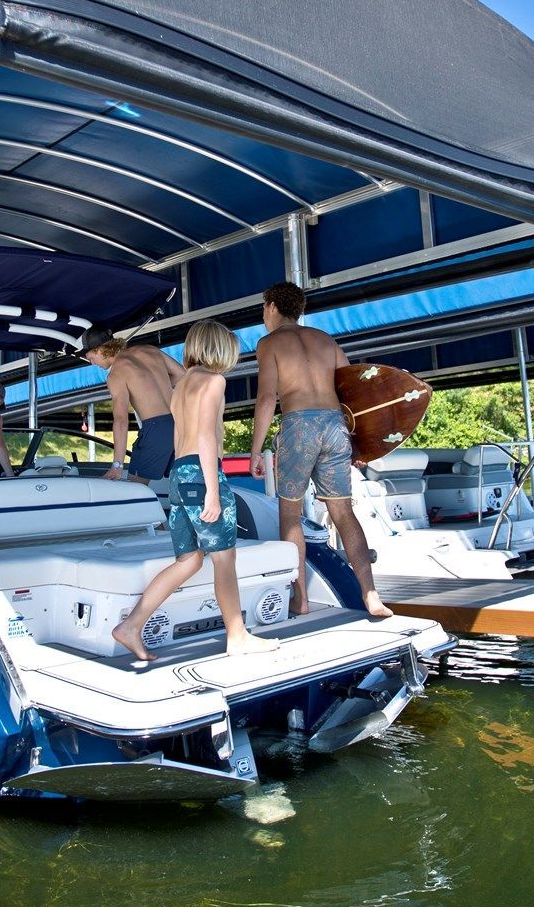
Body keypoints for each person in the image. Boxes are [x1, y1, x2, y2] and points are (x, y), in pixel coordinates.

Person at [111, 320, 279, 662]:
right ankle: (237, 635)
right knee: (224, 559)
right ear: (221, 348)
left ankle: (131, 626)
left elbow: (180, 438)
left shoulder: (183, 384)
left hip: (179, 474)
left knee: (188, 560)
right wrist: (213, 492)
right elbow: (205, 436)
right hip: (203, 475)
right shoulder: (214, 381)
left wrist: (188, 478)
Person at [249, 280, 392, 618]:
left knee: (290, 515)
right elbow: (353, 391)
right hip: (334, 426)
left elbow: (268, 398)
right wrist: (360, 442)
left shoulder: (268, 343)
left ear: (271, 307)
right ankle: (371, 594)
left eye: (264, 309)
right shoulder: (326, 340)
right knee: (343, 512)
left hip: (300, 425)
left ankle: (300, 600)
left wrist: (256, 451)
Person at [79, 328, 184, 488]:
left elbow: (121, 421)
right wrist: (153, 389)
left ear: (100, 351)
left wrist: (117, 465)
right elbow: (182, 374)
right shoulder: (149, 350)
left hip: (156, 430)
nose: (93, 364)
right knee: (181, 488)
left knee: (134, 490)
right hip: (180, 424)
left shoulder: (116, 375)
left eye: (91, 358)